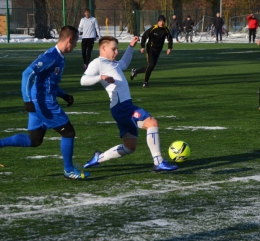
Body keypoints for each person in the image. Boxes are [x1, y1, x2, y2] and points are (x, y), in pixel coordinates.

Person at [0, 25, 90, 180]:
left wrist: (63, 95)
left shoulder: (59, 57)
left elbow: (49, 82)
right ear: (69, 39)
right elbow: (26, 74)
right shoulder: (51, 56)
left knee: (34, 140)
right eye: (75, 43)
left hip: (41, 100)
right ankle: (68, 171)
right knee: (68, 133)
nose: (75, 46)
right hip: (44, 103)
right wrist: (27, 100)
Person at [80, 36, 178, 172]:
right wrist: (100, 77)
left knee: (130, 146)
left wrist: (131, 47)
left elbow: (124, 64)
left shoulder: (112, 63)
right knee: (152, 123)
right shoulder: (98, 63)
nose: (116, 52)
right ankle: (159, 162)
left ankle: (99, 158)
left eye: (117, 49)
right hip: (123, 107)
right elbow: (83, 80)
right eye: (113, 49)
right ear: (103, 48)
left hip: (121, 107)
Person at [130, 15, 172, 88]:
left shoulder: (166, 30)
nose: (162, 23)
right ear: (158, 22)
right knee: (151, 65)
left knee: (150, 67)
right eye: (160, 21)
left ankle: (135, 72)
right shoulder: (153, 28)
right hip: (150, 49)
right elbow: (144, 36)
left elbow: (170, 39)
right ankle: (145, 83)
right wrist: (142, 47)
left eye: (163, 22)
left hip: (158, 51)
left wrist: (169, 48)